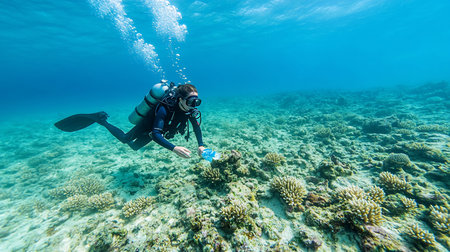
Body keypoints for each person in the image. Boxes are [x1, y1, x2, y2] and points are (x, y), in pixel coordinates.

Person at [55, 84, 205, 159]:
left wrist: (201, 146)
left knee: (134, 147)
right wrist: (174, 148)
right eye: (191, 101)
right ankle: (100, 120)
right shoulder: (165, 108)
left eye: (196, 102)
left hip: (160, 131)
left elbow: (197, 128)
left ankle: (101, 120)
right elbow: (155, 133)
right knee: (126, 139)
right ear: (180, 99)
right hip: (149, 124)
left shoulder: (190, 111)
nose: (193, 106)